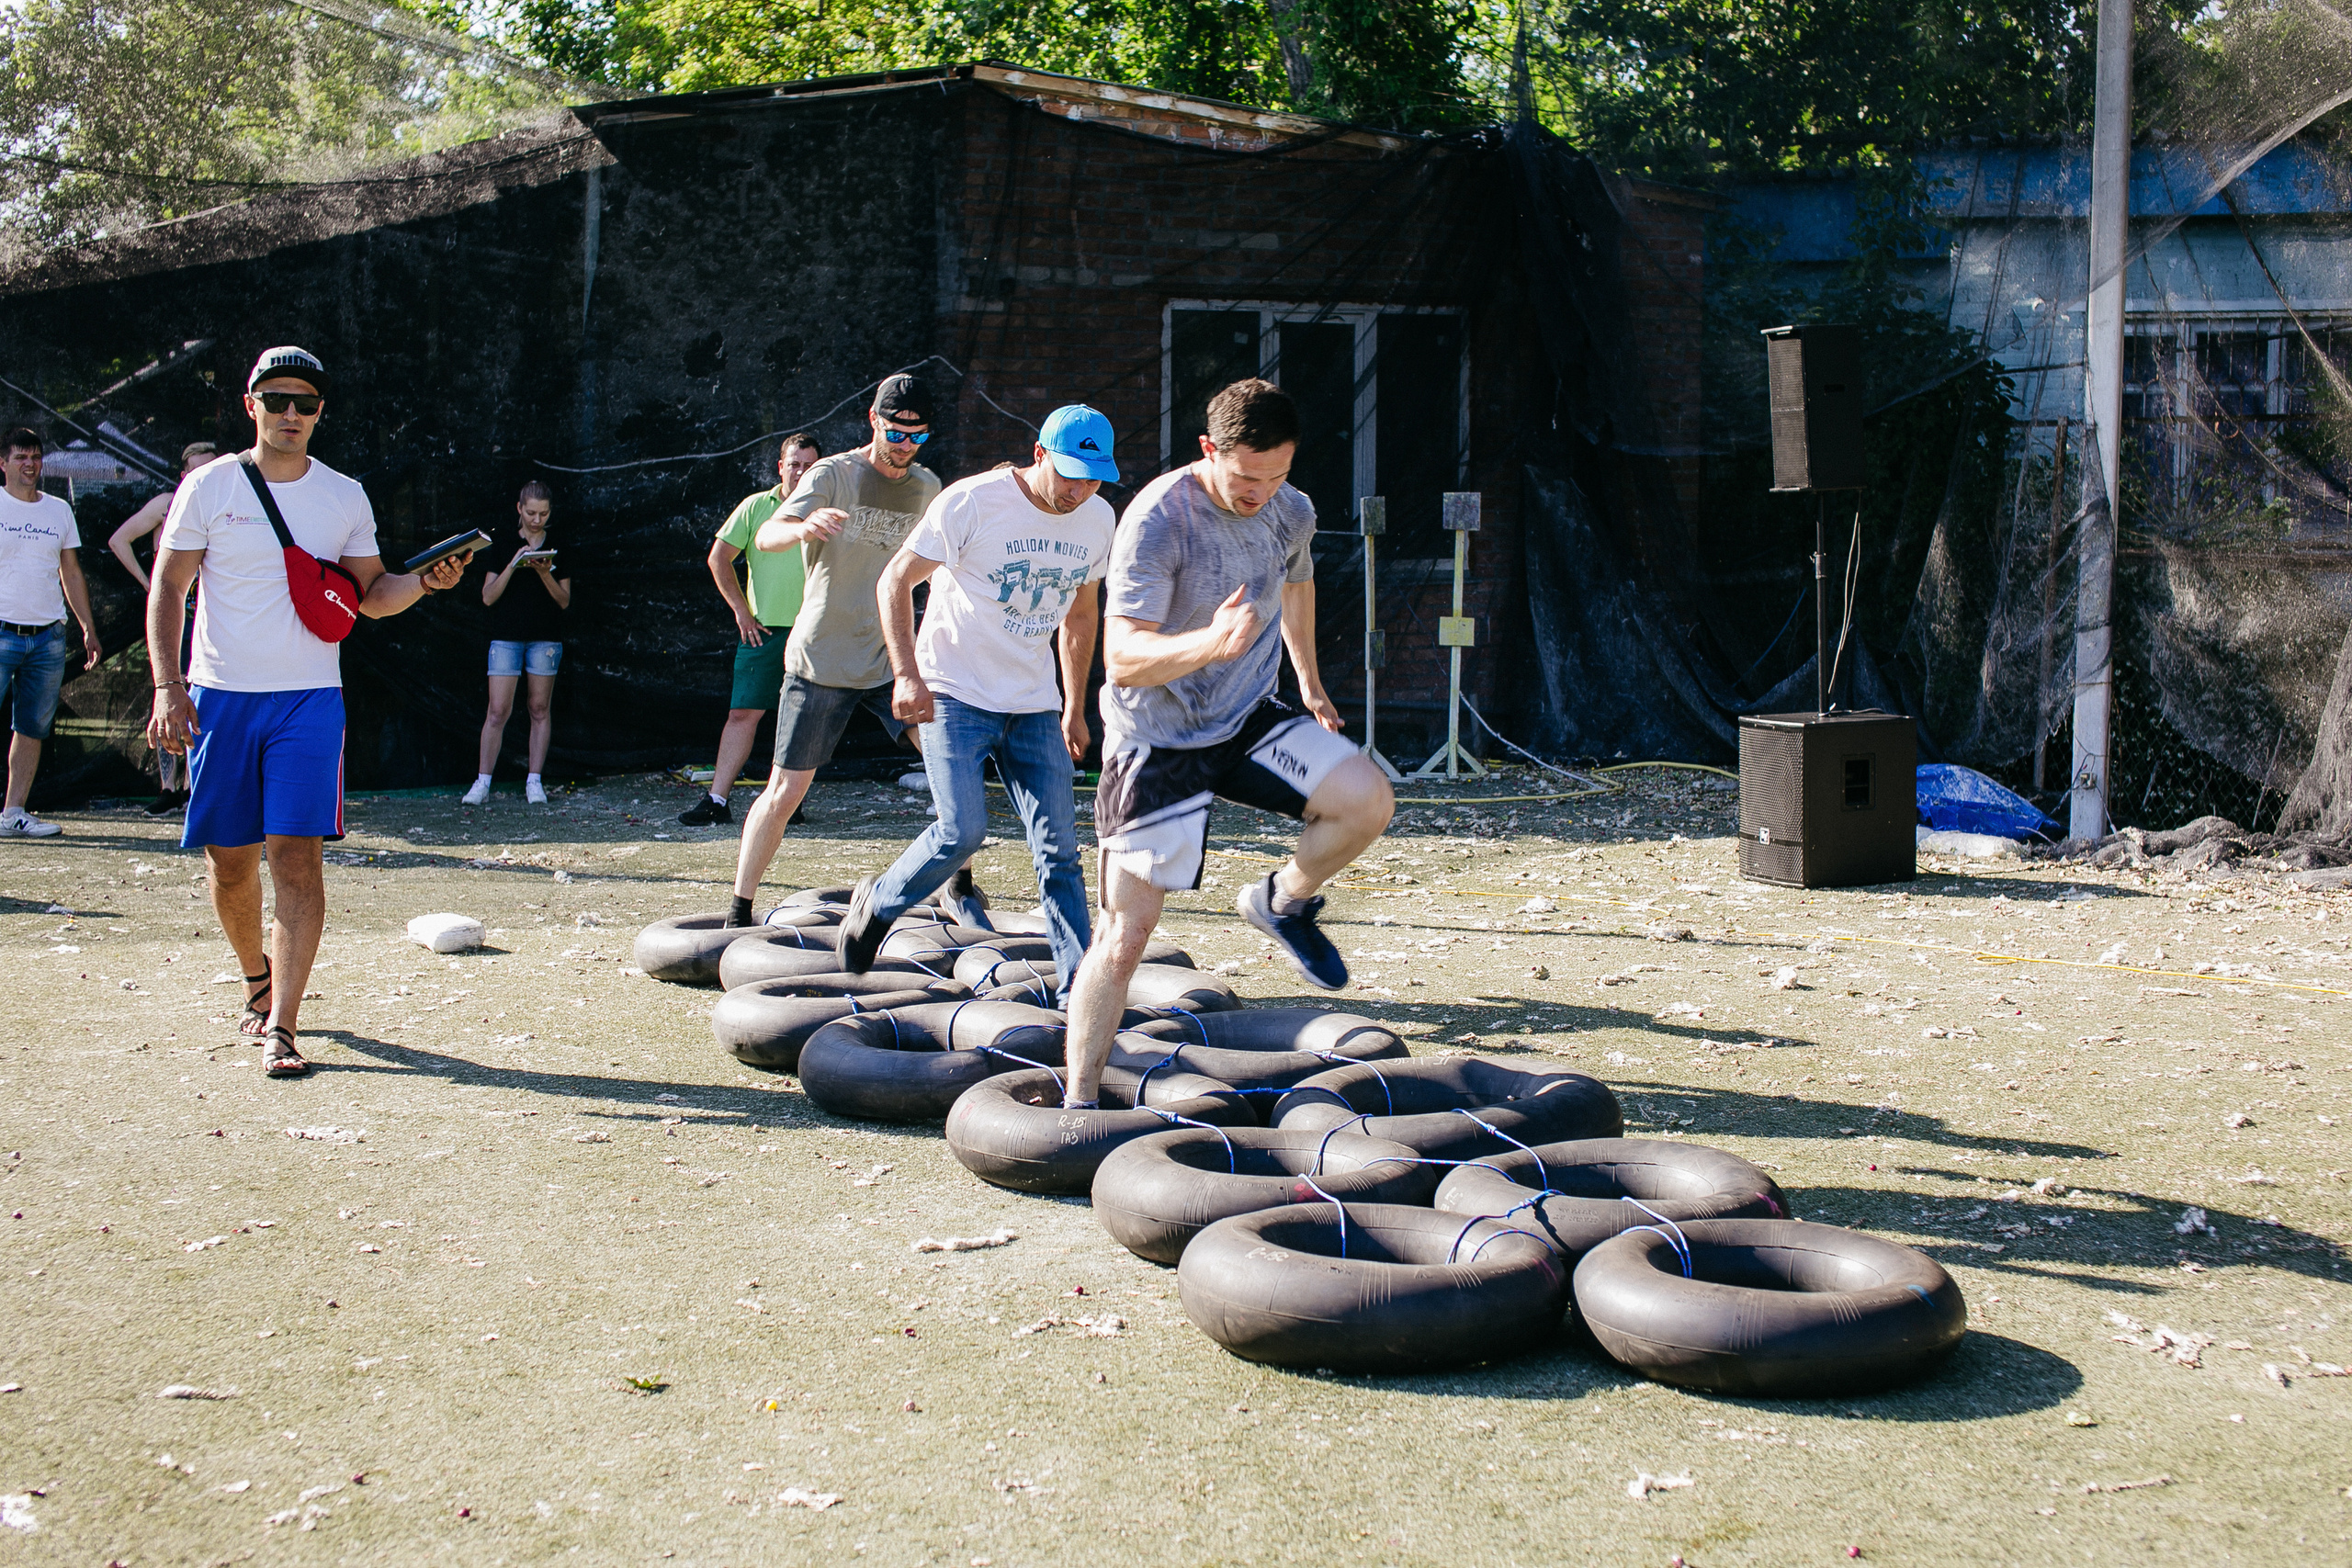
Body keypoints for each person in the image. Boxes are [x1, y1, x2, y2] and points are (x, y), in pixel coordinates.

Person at [1059, 379, 1394, 1107]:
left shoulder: (1290, 507)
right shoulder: (1157, 519)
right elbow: (1120, 657)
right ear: (1210, 450)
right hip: (1159, 739)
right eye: (1247, 477)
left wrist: (1307, 678)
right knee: (1127, 932)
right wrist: (1211, 641)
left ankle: (1280, 900)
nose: (1261, 493)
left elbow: (1297, 580)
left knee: (1366, 800)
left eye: (1276, 476)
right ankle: (1077, 1103)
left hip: (1246, 717)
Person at [146, 346, 475, 1077]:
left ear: (320, 412)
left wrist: (427, 582)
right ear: (250, 405)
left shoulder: (343, 496)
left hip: (309, 702)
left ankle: (284, 1026)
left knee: (297, 860)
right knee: (230, 865)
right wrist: (168, 686)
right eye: (277, 399)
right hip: (220, 698)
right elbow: (168, 588)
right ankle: (255, 976)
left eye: (305, 402)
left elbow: (372, 595)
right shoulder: (210, 485)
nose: (291, 413)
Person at [835, 405, 1119, 995]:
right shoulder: (973, 501)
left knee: (1060, 849)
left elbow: (1081, 614)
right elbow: (895, 580)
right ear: (1039, 455)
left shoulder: (1097, 518)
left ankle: (1077, 991)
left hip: (1033, 702)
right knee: (962, 830)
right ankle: (881, 900)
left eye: (1093, 477)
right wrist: (906, 675)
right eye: (1070, 474)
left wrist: (1073, 704)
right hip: (955, 689)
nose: (1080, 490)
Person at [723, 375, 946, 927]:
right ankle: (739, 908)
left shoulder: (927, 486)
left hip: (889, 658)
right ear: (874, 422)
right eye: (896, 435)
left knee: (948, 762)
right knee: (787, 788)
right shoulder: (833, 473)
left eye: (917, 438)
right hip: (820, 657)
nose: (905, 449)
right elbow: (768, 534)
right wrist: (803, 525)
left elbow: (946, 561)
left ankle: (957, 882)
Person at [679, 434, 818, 827]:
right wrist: (742, 611)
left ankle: (788, 801)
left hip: (814, 633)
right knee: (743, 714)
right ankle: (717, 801)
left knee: (803, 718)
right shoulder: (757, 507)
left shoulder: (828, 509)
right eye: (794, 463)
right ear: (781, 467)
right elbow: (719, 558)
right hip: (764, 633)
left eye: (809, 464)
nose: (801, 471)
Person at [0, 427, 104, 838]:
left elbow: (71, 571)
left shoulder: (59, 509)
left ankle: (13, 814)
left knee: (31, 728)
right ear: (3, 463)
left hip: (47, 637)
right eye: (21, 456)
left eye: (36, 456)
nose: (30, 464)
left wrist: (87, 628)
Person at [108, 440, 217, 814]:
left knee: (200, 696)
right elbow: (118, 540)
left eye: (210, 467)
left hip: (210, 619)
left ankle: (192, 785)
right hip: (175, 618)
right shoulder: (166, 505)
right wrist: (149, 582)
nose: (202, 476)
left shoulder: (228, 503)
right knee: (168, 692)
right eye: (195, 469)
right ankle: (168, 787)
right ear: (183, 474)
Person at [463, 480, 574, 807]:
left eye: (542, 514)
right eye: (530, 513)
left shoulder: (559, 544)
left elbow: (564, 600)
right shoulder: (502, 543)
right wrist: (515, 563)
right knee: (497, 710)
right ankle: (482, 782)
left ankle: (534, 781)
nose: (536, 520)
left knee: (539, 708)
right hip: (506, 636)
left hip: (545, 638)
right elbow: (487, 597)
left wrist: (543, 571)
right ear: (519, 509)